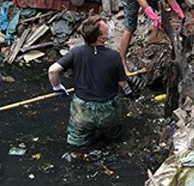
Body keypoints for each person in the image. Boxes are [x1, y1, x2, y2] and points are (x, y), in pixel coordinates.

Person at [48, 15, 132, 147]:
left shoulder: (76, 52)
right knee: (114, 137)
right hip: (107, 109)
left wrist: (57, 87)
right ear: (100, 38)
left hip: (82, 109)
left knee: (76, 142)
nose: (109, 29)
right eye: (106, 28)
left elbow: (53, 71)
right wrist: (130, 93)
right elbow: (122, 84)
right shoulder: (114, 56)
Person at [119, 0, 194, 72]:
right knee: (130, 27)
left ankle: (153, 37)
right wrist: (152, 16)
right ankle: (121, 60)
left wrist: (180, 13)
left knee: (163, 8)